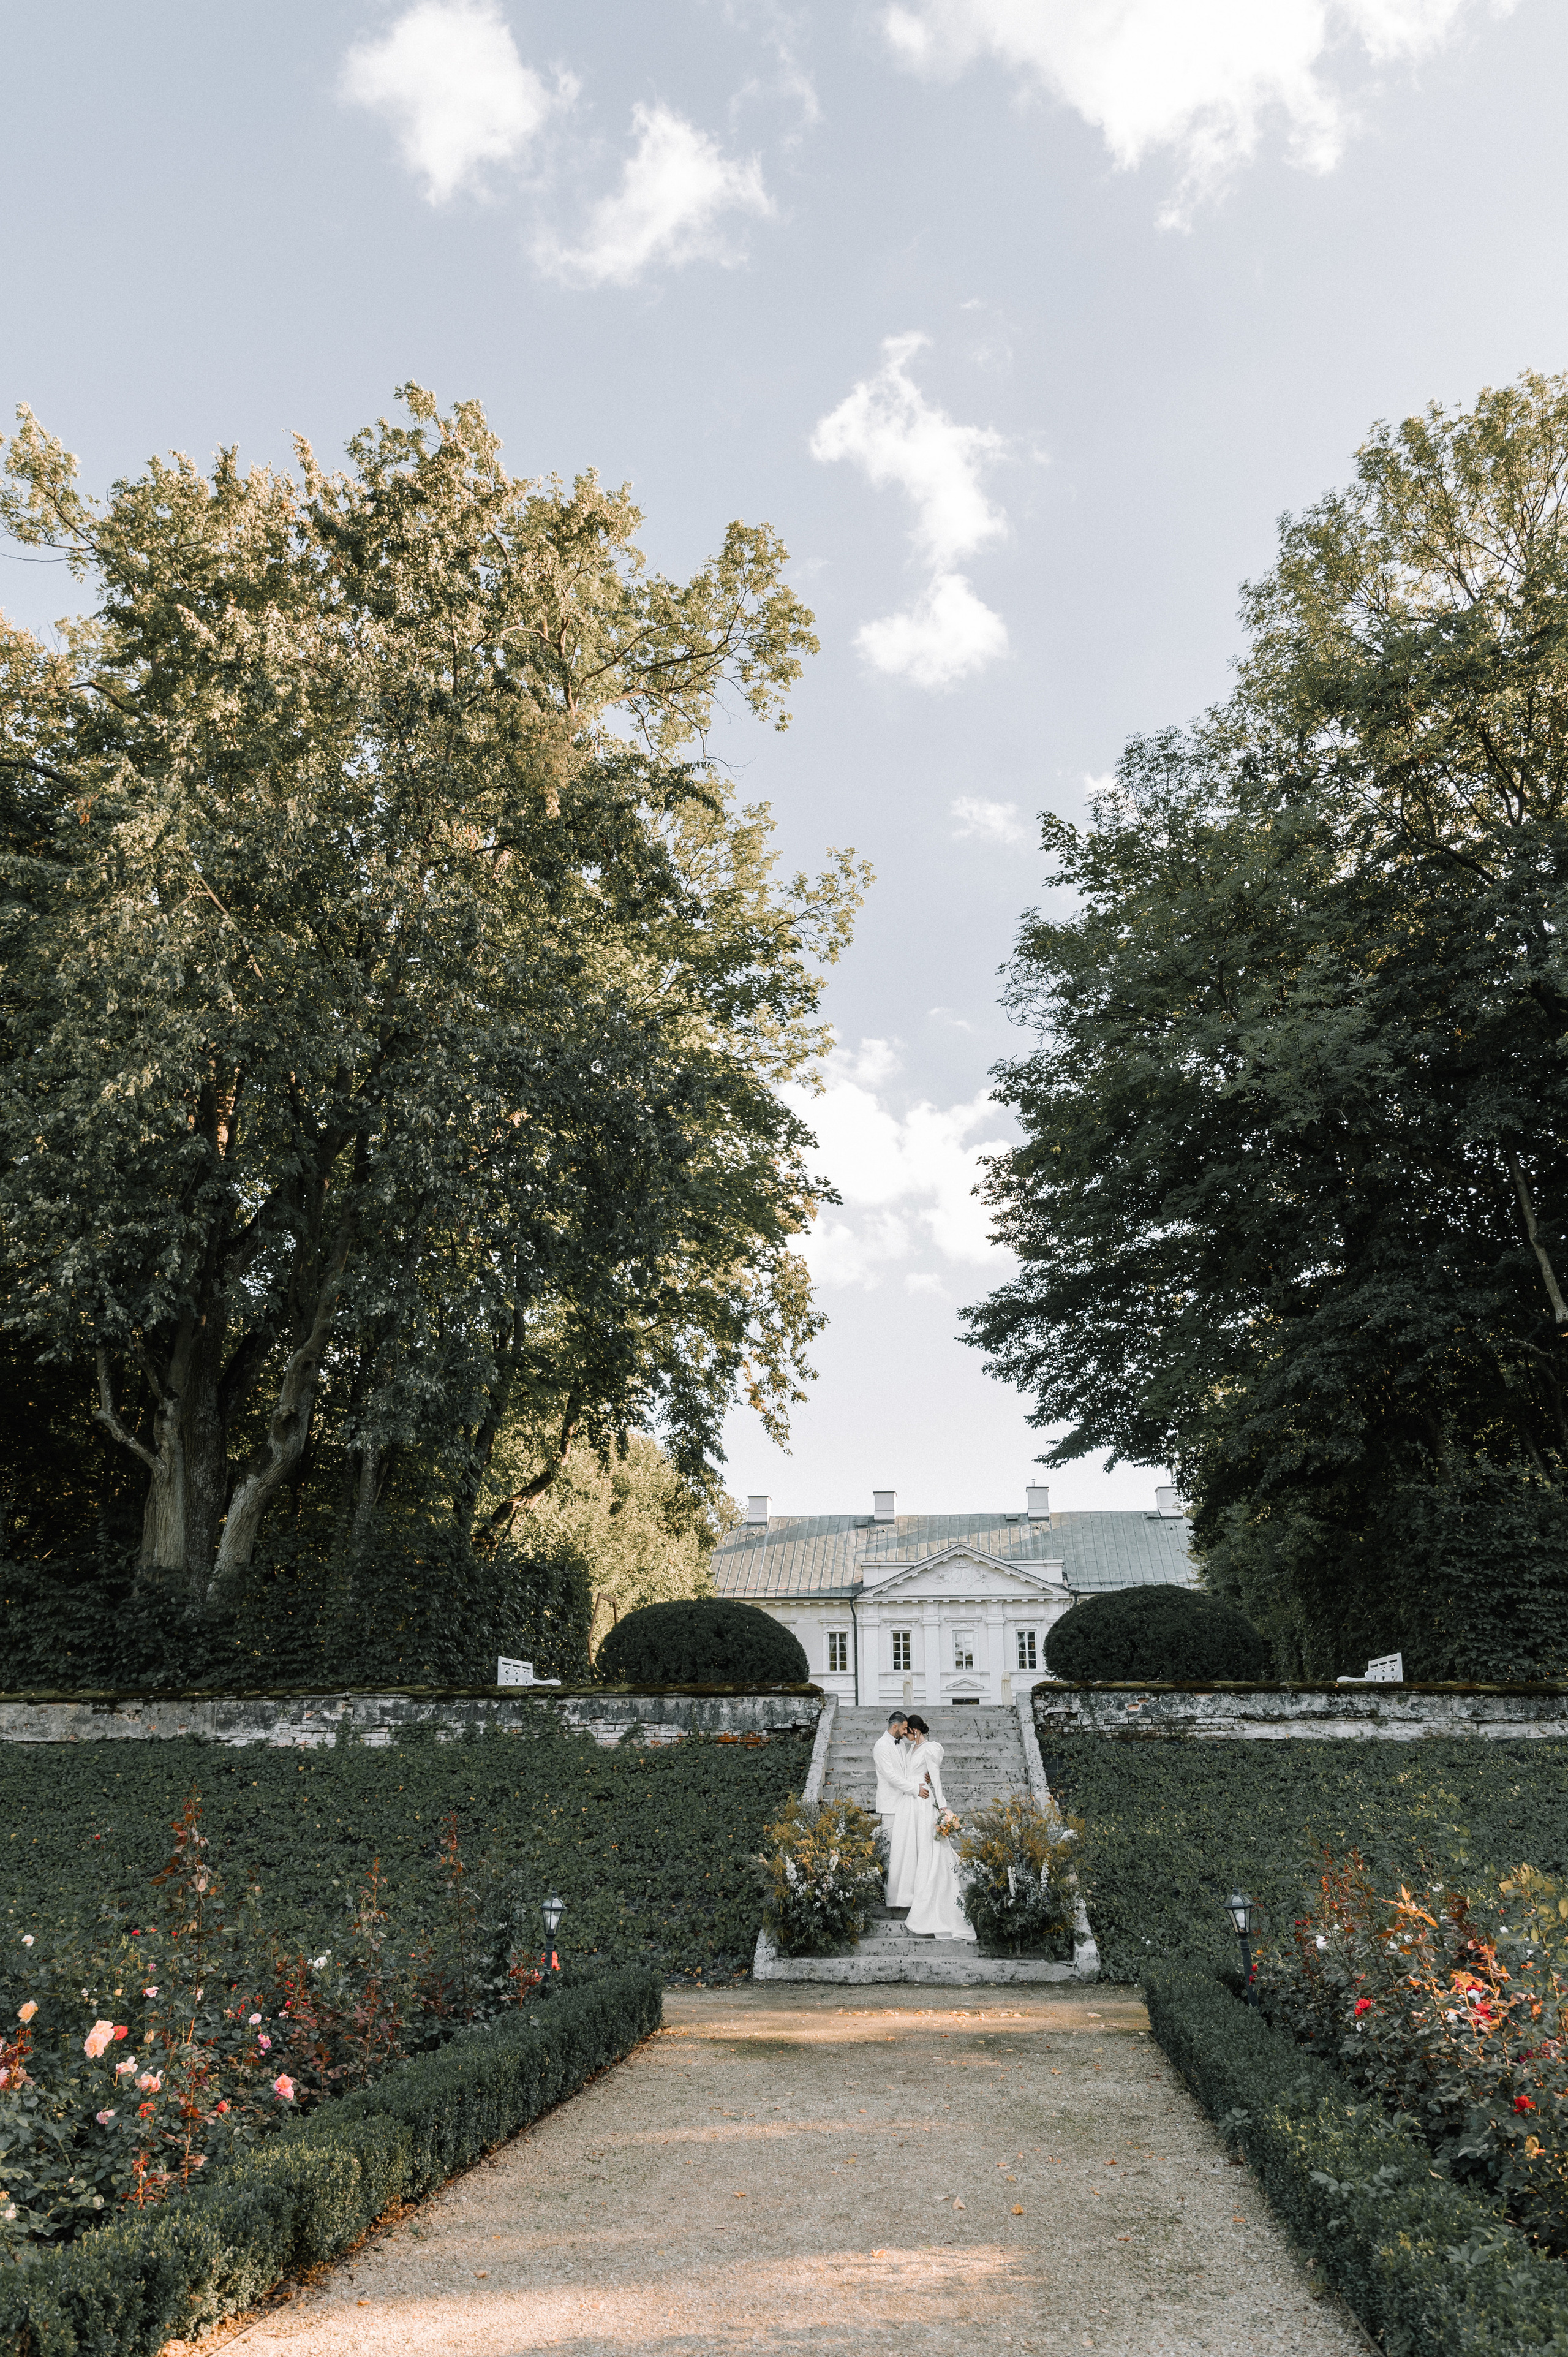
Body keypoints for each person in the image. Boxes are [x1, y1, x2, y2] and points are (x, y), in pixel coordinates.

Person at [903, 1716, 976, 1942]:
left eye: (907, 1731)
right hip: (911, 1803)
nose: (905, 1735)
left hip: (925, 1804)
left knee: (930, 1848)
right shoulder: (911, 1750)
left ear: (915, 1730)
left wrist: (943, 1806)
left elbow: (936, 1777)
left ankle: (931, 1901)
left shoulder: (930, 1749)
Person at [873, 1710, 928, 1906]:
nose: (906, 1732)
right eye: (904, 1728)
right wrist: (915, 1790)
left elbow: (907, 1771)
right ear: (895, 1726)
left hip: (905, 1806)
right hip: (890, 1807)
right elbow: (891, 1777)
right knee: (889, 1854)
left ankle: (901, 1895)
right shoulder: (881, 1746)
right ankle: (887, 1897)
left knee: (902, 1853)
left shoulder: (902, 1744)